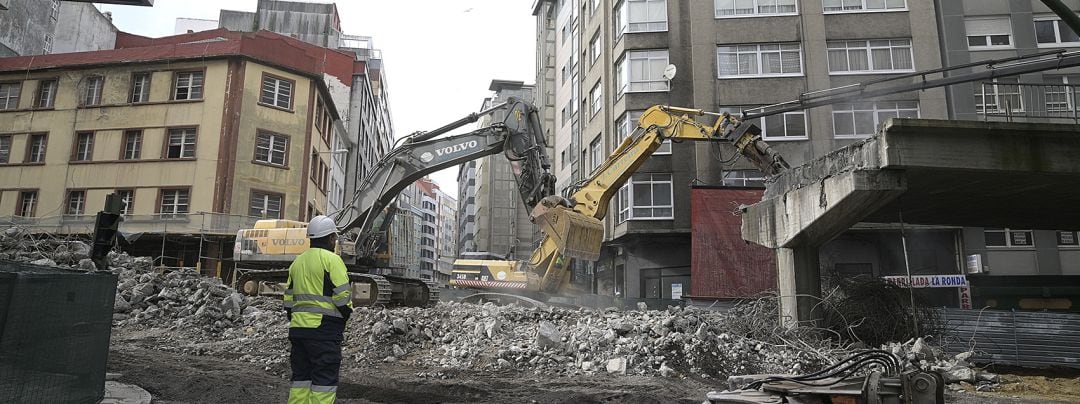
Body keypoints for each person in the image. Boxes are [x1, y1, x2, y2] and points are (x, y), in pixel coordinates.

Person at [284, 215, 353, 404]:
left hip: (298, 331)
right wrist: (344, 317)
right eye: (335, 238)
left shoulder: (297, 262)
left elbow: (288, 301)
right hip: (323, 331)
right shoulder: (332, 260)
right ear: (331, 238)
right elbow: (343, 297)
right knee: (324, 381)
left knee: (301, 380)